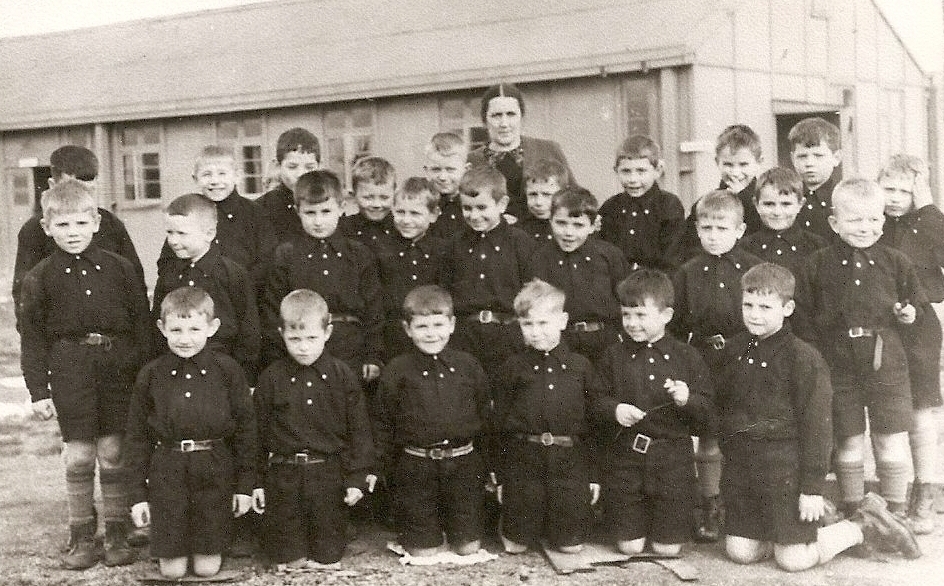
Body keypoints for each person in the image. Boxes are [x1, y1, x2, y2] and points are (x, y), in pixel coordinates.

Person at [719, 263, 921, 570]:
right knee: (740, 552)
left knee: (793, 560)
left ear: (787, 308)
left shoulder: (803, 357)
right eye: (748, 305)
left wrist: (811, 488)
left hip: (787, 473)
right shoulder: (735, 349)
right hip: (746, 474)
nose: (754, 315)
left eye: (765, 307)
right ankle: (794, 533)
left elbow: (818, 428)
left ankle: (863, 523)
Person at [19, 179, 150, 569]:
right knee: (77, 455)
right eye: (62, 226)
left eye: (79, 223)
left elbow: (140, 326)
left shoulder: (120, 268)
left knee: (113, 450)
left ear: (96, 222)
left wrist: (144, 375)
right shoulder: (39, 278)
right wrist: (38, 390)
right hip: (69, 367)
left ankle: (116, 531)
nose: (72, 233)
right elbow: (33, 338)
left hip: (116, 366)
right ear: (47, 228)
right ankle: (80, 534)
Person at [794, 178, 927, 520]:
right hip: (837, 361)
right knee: (848, 435)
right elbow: (804, 315)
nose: (865, 228)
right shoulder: (817, 264)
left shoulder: (896, 262)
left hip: (887, 360)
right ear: (835, 223)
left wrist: (909, 313)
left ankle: (894, 510)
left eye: (873, 219)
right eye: (855, 220)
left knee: (890, 435)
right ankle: (855, 508)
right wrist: (816, 359)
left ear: (883, 220)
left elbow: (916, 305)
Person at [126, 287, 257, 580]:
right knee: (172, 572)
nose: (185, 339)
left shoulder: (228, 371)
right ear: (162, 329)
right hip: (167, 469)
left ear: (212, 327)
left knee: (206, 568)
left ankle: (207, 548)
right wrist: (137, 495)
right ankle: (172, 548)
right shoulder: (151, 374)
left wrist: (245, 486)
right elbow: (136, 437)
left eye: (195, 329)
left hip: (214, 468)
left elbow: (247, 431)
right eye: (176, 329)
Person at [593, 269, 713, 556]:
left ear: (667, 315)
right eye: (626, 315)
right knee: (629, 547)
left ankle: (667, 523)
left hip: (673, 465)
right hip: (626, 461)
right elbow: (595, 401)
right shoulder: (613, 356)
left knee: (667, 549)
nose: (631, 324)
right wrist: (616, 410)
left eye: (640, 315)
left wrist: (688, 400)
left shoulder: (687, 357)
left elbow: (709, 414)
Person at [253, 289, 375, 568]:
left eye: (311, 338)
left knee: (327, 558)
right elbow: (257, 434)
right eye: (294, 339)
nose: (303, 347)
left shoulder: (342, 375)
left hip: (328, 475)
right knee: (290, 560)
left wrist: (356, 477)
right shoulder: (271, 378)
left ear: (328, 332)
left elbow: (359, 430)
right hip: (284, 477)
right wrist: (256, 482)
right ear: (281, 334)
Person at [669, 189, 762, 542]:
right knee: (708, 433)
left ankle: (742, 505)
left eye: (721, 227)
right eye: (705, 227)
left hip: (744, 357)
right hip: (703, 359)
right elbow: (675, 325)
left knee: (743, 431)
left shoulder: (753, 268)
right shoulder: (688, 272)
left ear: (739, 230)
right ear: (696, 229)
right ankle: (709, 503)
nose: (713, 234)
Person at [374, 285, 491, 557]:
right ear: (407, 329)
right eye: (422, 326)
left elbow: (485, 417)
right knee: (423, 552)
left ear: (452, 325)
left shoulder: (469, 366)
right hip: (416, 468)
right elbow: (383, 421)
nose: (431, 334)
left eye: (438, 324)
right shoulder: (397, 370)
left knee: (469, 548)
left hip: (463, 466)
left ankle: (463, 530)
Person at [492, 279, 599, 554]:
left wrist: (593, 475)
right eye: (528, 325)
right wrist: (502, 477)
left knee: (570, 547)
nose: (535, 332)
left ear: (562, 321)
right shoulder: (512, 367)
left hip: (568, 464)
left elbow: (594, 427)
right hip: (524, 463)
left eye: (543, 323)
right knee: (515, 546)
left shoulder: (581, 366)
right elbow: (499, 425)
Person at [260, 170, 383, 379]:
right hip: (301, 349)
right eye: (310, 213)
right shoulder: (286, 255)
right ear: (298, 211)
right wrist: (281, 357)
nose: (318, 221)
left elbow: (374, 310)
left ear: (341, 208)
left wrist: (373, 355)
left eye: (326, 211)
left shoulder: (359, 254)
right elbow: (273, 311)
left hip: (349, 348)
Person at [877, 154, 944, 534]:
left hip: (920, 328)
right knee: (887, 410)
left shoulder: (929, 224)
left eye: (906, 190)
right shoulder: (873, 223)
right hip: (882, 326)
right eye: (889, 188)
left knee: (921, 410)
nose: (896, 197)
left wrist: (929, 205)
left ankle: (925, 490)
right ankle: (893, 496)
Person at [12, 145, 144, 326]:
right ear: (52, 185)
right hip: (60, 335)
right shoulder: (34, 231)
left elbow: (135, 280)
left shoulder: (111, 224)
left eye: (87, 191)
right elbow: (24, 293)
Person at [152, 193, 260, 380]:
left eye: (182, 233)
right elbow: (157, 324)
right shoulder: (168, 275)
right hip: (175, 369)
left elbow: (248, 330)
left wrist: (245, 377)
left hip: (223, 369)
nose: (173, 241)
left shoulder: (232, 274)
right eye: (170, 233)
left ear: (209, 233)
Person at [442, 165, 537, 376]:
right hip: (464, 339)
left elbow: (532, 293)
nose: (474, 215)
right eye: (467, 208)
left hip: (509, 338)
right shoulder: (454, 245)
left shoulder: (520, 243)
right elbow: (445, 291)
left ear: (502, 204)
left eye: (482, 207)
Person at [158, 145, 277, 291]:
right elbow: (167, 263)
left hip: (243, 296)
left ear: (237, 176)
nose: (214, 181)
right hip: (195, 298)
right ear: (195, 179)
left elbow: (267, 262)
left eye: (222, 173)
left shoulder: (255, 214)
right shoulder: (187, 212)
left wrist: (236, 288)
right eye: (207, 174)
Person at [528, 186, 627, 361]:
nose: (568, 233)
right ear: (550, 220)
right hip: (559, 344)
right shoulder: (539, 259)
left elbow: (625, 301)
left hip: (605, 343)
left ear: (592, 226)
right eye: (561, 223)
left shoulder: (609, 256)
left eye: (578, 225)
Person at [467, 83, 574, 221]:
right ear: (484, 120)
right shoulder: (472, 160)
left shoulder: (548, 149)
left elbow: (573, 194)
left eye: (511, 114)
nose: (504, 123)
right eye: (496, 115)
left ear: (521, 117)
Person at [668, 125, 765, 265]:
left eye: (743, 164)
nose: (735, 173)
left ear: (759, 163)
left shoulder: (768, 202)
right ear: (717, 162)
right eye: (728, 165)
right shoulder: (705, 203)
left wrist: (743, 197)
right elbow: (688, 247)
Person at [378, 177, 447, 361]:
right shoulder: (381, 250)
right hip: (393, 337)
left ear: (433, 214)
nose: (406, 220)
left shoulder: (443, 251)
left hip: (433, 336)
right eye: (400, 212)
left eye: (415, 213)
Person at [598, 135, 684, 270]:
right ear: (616, 171)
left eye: (641, 171)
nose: (633, 179)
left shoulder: (668, 205)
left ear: (658, 170)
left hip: (657, 284)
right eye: (626, 171)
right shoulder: (610, 207)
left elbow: (671, 259)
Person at [738, 167, 826, 277]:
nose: (777, 212)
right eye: (769, 204)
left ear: (800, 204)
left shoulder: (818, 247)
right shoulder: (743, 248)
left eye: (786, 204)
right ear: (756, 204)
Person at [256, 127, 321, 244]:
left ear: (319, 167)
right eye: (292, 167)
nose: (301, 174)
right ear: (278, 166)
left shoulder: (328, 203)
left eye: (309, 167)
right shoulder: (260, 209)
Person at [789, 117, 843, 240]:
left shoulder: (843, 198)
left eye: (818, 155)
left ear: (836, 158)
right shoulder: (787, 198)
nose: (809, 163)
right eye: (802, 156)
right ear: (793, 159)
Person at [339, 156, 399, 255]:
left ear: (394, 194)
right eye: (368, 197)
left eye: (384, 197)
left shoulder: (402, 228)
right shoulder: (342, 229)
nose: (376, 204)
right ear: (354, 195)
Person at [425, 132, 470, 240]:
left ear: (466, 170)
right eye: (436, 169)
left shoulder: (472, 203)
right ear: (426, 171)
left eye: (450, 170)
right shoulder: (422, 202)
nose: (443, 177)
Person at [518, 158, 570, 243]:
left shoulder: (572, 230)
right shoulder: (519, 229)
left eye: (547, 195)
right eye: (533, 194)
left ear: (565, 194)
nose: (539, 202)